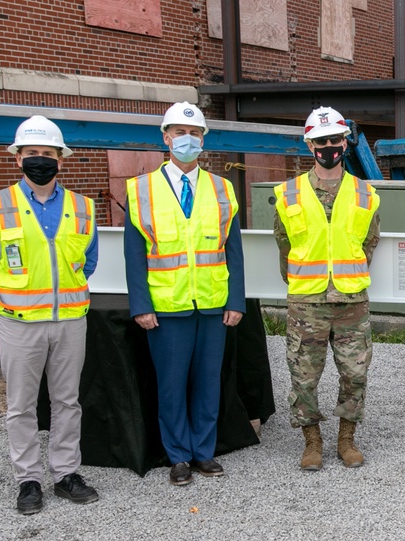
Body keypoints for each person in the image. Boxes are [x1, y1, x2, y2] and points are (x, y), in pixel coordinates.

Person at [0, 116, 100, 514]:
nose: (39, 159)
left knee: (67, 402)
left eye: (47, 153)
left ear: (61, 159)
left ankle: (65, 474)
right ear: (18, 158)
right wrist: (8, 302)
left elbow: (88, 261)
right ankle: (28, 479)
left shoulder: (83, 206)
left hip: (69, 322)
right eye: (31, 153)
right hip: (18, 324)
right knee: (21, 405)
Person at [124, 102, 245, 486]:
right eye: (179, 132)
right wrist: (141, 305)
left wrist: (236, 300)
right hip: (167, 306)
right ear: (165, 138)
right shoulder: (141, 189)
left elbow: (233, 250)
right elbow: (134, 254)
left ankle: (203, 453)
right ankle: (177, 456)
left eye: (194, 133)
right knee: (172, 387)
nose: (186, 139)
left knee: (209, 383)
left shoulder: (222, 188)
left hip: (212, 304)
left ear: (203, 139)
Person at [273, 106, 380, 471]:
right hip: (307, 302)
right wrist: (304, 280)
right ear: (309, 145)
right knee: (303, 375)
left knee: (355, 373)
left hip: (352, 300)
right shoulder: (288, 194)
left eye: (335, 139)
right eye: (321, 141)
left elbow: (370, 242)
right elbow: (283, 243)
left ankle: (346, 440)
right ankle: (312, 442)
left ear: (345, 142)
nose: (329, 146)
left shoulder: (365, 193)